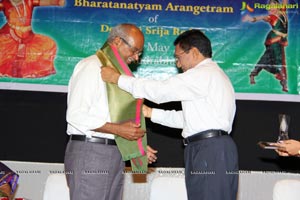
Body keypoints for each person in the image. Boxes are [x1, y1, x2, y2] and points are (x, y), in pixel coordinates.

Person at [101, 29, 239, 200]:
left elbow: (160, 91)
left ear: (194, 52)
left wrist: (118, 79)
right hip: (209, 147)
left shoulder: (202, 74)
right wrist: (150, 113)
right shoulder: (212, 76)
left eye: (178, 57)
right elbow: (188, 120)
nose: (178, 64)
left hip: (209, 149)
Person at [64, 23, 157, 200]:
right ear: (117, 41)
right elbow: (75, 115)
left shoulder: (118, 75)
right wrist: (118, 129)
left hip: (114, 153)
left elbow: (113, 116)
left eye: (139, 53)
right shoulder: (91, 66)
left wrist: (137, 145)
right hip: (91, 152)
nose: (136, 58)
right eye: (135, 51)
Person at [0, 0, 65, 78]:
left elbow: (52, 2)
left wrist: (58, 2)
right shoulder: (4, 4)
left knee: (49, 44)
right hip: (10, 36)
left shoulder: (29, 1)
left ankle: (27, 72)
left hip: (29, 36)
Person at [242, 0, 289, 92]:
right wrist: (251, 19)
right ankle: (284, 83)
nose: (271, 8)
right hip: (274, 39)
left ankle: (253, 74)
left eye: (273, 6)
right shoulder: (270, 17)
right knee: (278, 59)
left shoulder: (283, 13)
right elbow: (261, 17)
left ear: (277, 6)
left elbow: (284, 2)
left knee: (269, 57)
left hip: (280, 40)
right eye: (270, 6)